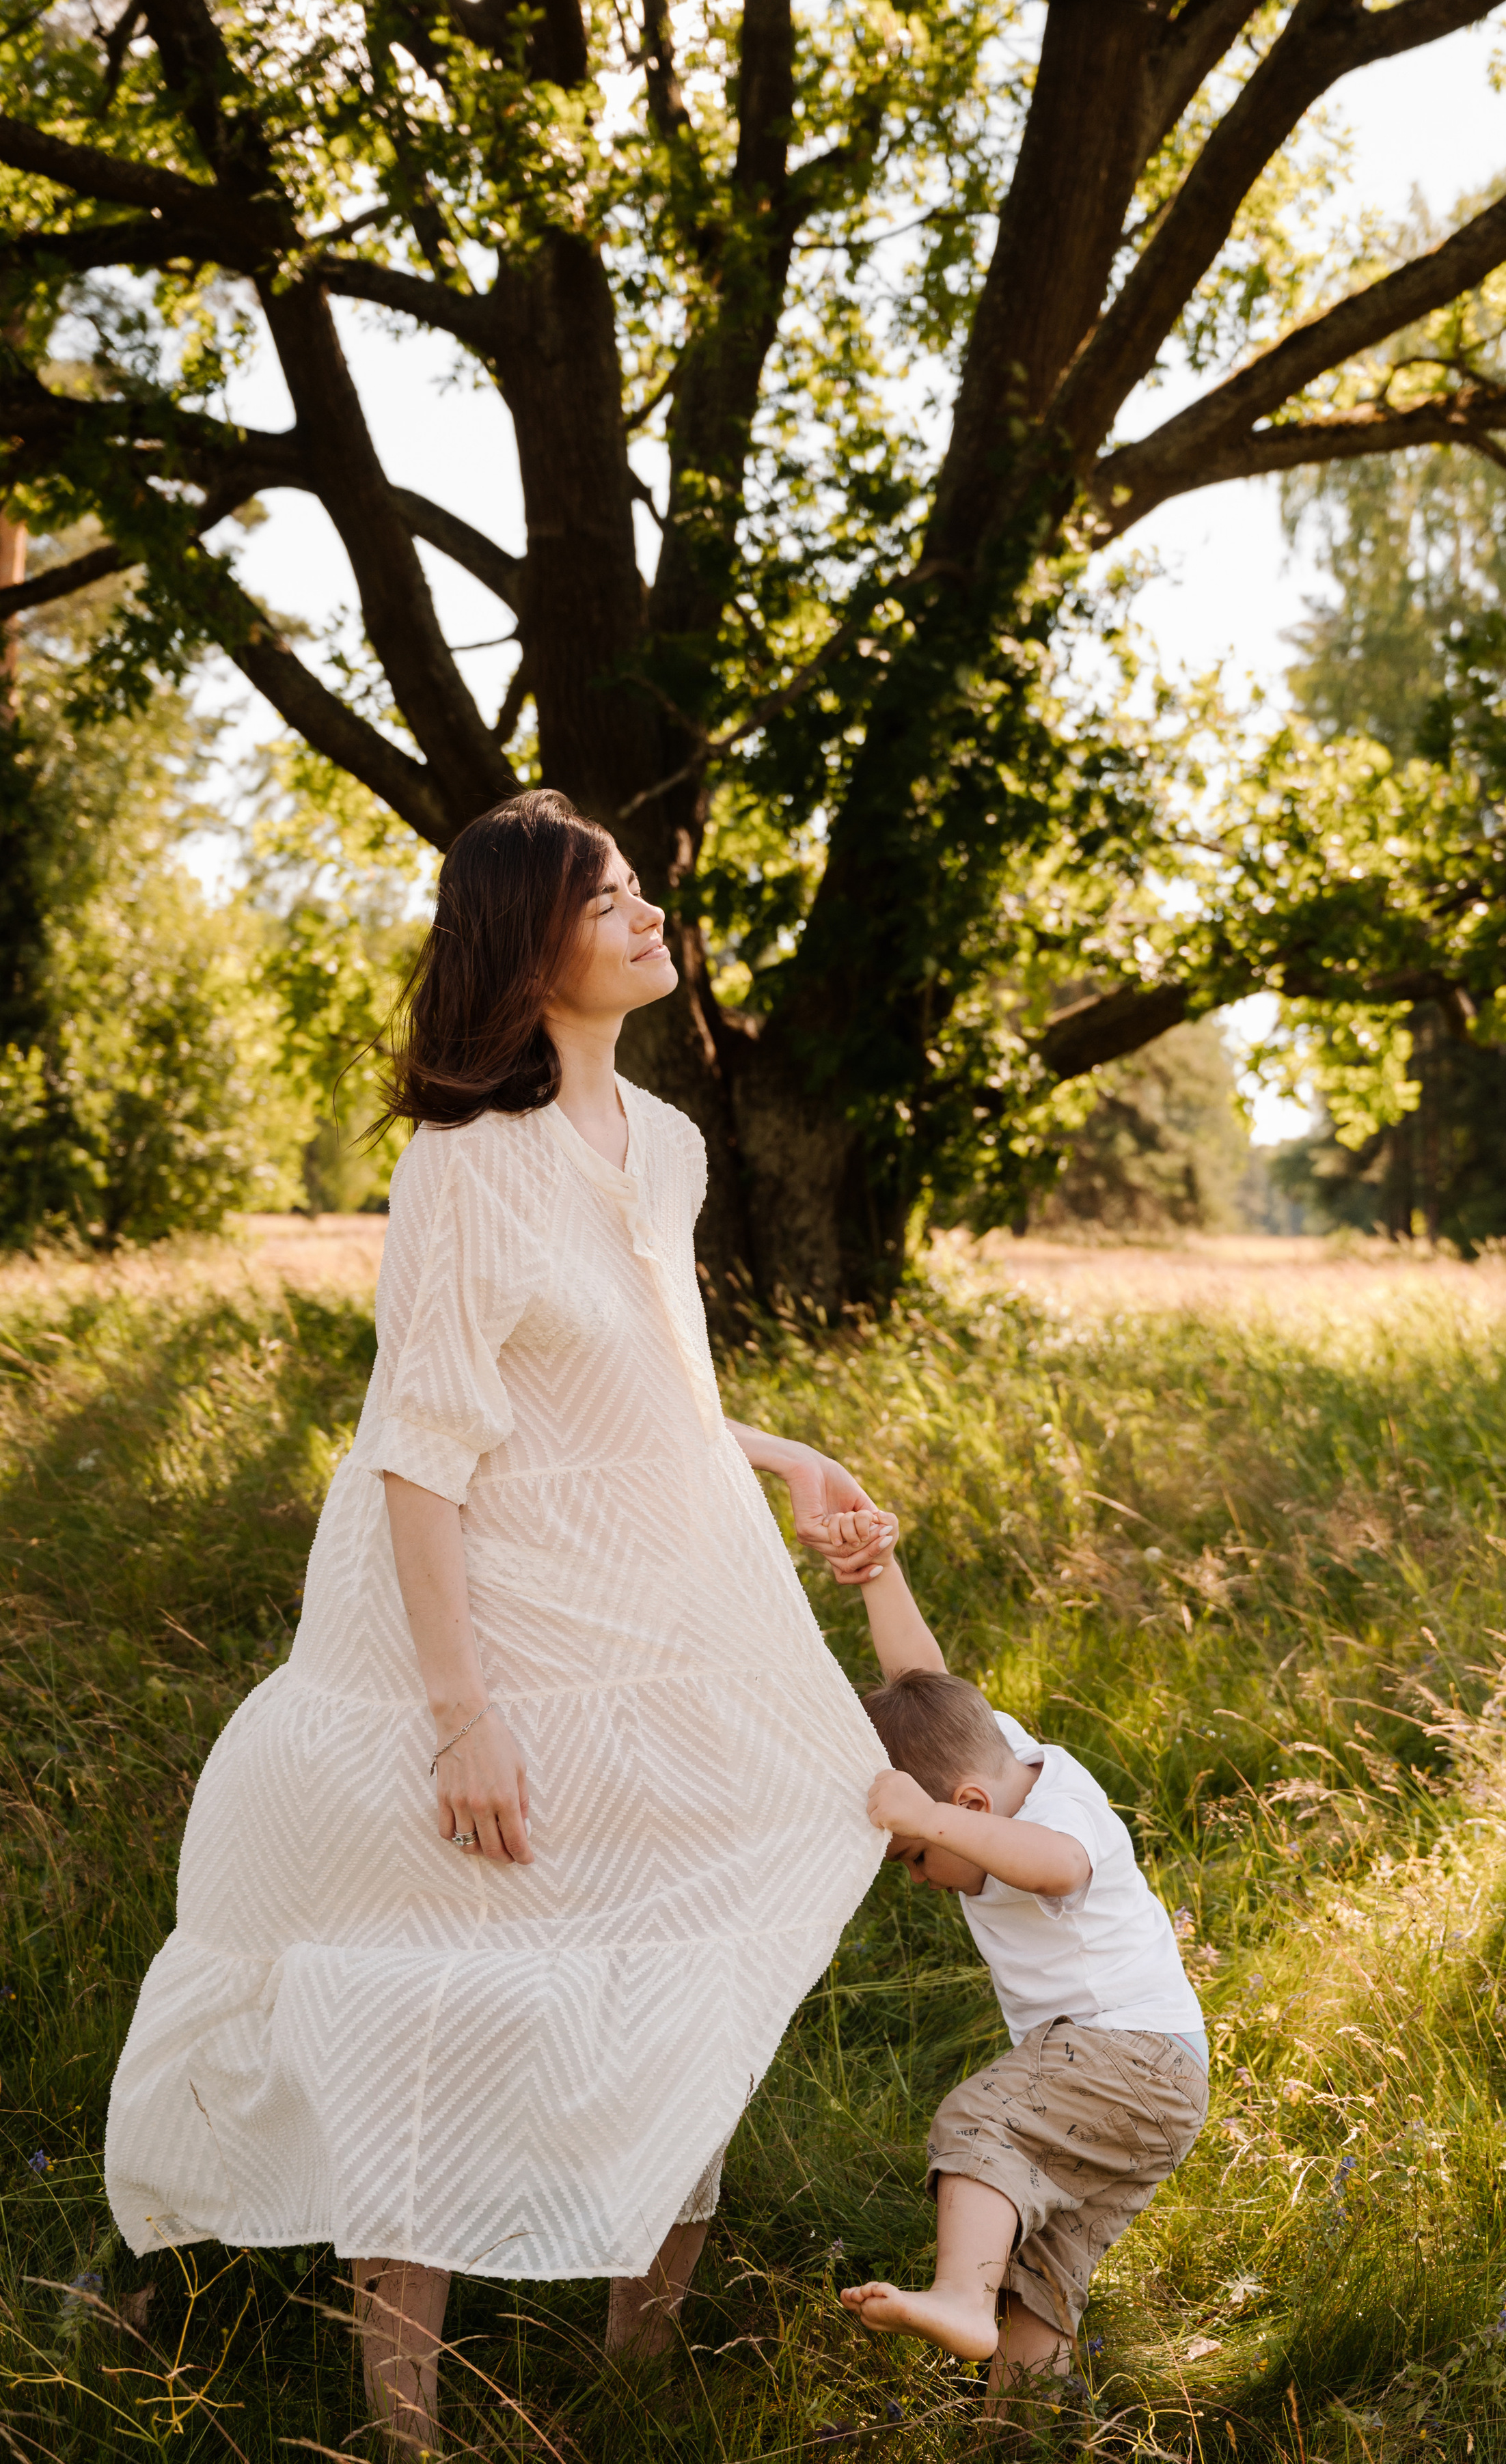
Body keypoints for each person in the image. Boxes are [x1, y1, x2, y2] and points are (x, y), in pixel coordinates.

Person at [106, 791, 894, 2450]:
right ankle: (403, 2421)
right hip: (480, 1632)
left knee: (681, 1959)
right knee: (433, 1994)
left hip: (652, 1623)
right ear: (529, 951)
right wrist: (462, 1715)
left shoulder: (663, 1145)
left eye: (636, 888)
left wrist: (783, 1456)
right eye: (607, 901)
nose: (647, 914)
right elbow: (421, 1447)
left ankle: (637, 2377)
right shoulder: (465, 1164)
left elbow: (645, 1390)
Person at [832, 1525, 1208, 2417]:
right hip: (1156, 2085)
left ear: (966, 1807)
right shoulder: (990, 1755)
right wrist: (878, 1573)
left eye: (914, 1859)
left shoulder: (1057, 1816)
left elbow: (1060, 1869)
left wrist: (934, 1823)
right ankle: (1021, 2432)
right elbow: (925, 1684)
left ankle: (958, 2299)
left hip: (1128, 2054)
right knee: (1038, 2278)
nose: (920, 1878)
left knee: (980, 2120)